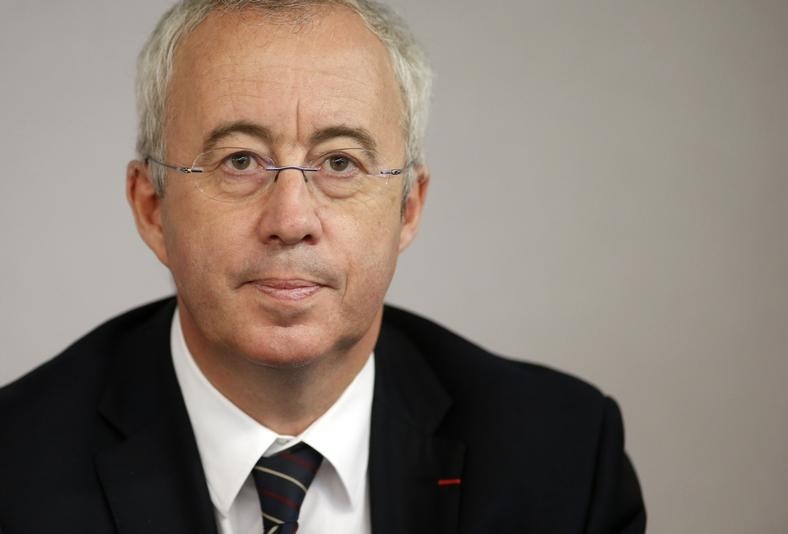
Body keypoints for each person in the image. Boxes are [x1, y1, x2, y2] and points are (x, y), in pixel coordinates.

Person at [0, 1, 645, 532]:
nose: (291, 218)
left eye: (340, 163)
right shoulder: (16, 472)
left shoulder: (561, 458)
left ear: (408, 207)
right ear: (151, 207)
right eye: (240, 160)